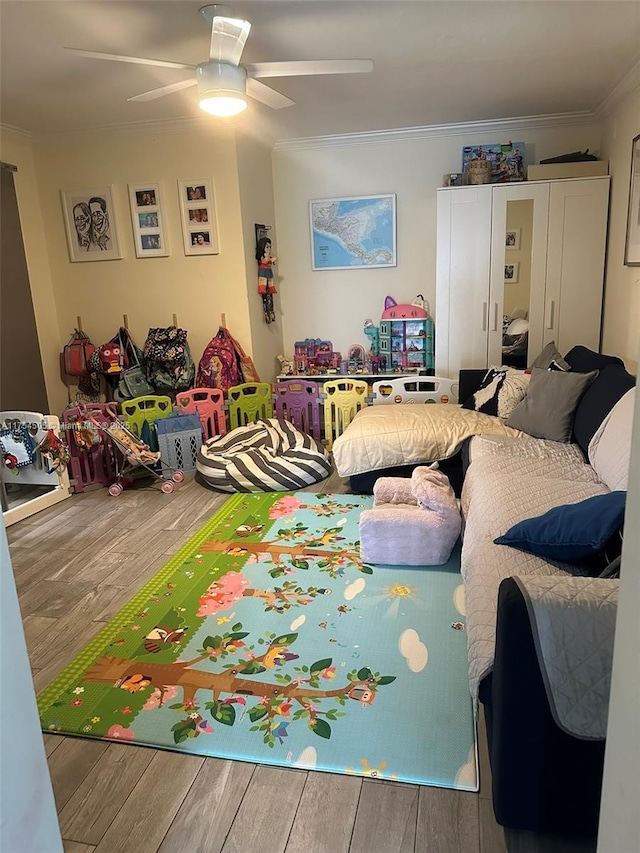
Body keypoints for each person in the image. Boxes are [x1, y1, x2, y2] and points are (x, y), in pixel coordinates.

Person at [256, 236, 277, 323]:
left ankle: (271, 310)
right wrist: (270, 259)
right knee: (264, 289)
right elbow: (265, 261)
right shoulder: (263, 257)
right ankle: (267, 311)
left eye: (270, 247)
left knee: (270, 290)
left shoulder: (269, 256)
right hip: (263, 274)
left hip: (268, 273)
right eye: (267, 247)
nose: (269, 249)